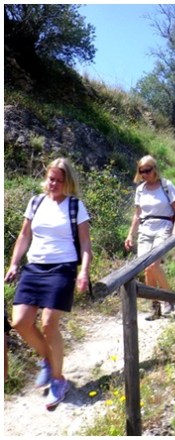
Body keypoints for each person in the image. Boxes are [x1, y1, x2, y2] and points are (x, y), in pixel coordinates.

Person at [5, 158, 92, 408]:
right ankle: (47, 358)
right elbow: (24, 236)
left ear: (67, 182)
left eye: (58, 180)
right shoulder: (36, 202)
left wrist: (83, 272)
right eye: (50, 178)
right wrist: (14, 263)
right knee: (20, 322)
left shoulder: (75, 206)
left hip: (62, 268)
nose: (52, 183)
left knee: (48, 324)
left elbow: (85, 243)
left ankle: (58, 379)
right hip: (34, 268)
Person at [124, 155, 175, 320]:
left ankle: (168, 298)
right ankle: (155, 307)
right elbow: (137, 215)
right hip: (145, 229)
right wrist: (130, 235)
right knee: (146, 267)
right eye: (141, 171)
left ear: (154, 169)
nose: (144, 174)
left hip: (163, 227)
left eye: (147, 170)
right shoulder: (140, 189)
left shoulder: (166, 186)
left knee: (154, 264)